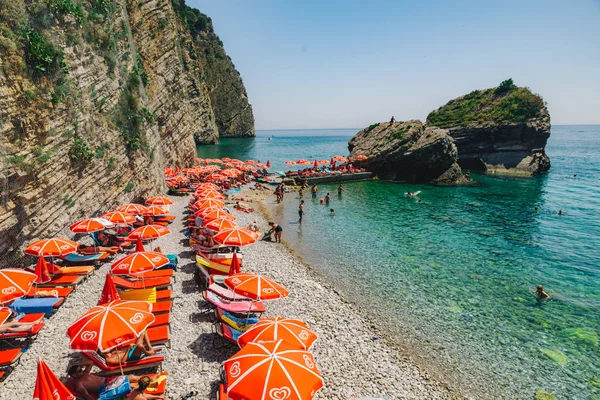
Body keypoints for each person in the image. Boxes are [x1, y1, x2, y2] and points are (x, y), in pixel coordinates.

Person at [68, 361, 144, 400]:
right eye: (79, 370)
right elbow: (87, 396)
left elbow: (91, 362)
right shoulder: (79, 384)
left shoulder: (84, 373)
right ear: (74, 375)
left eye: (81, 369)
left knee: (131, 377)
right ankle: (145, 384)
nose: (82, 370)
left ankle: (147, 379)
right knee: (130, 385)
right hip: (106, 389)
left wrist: (78, 365)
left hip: (109, 381)